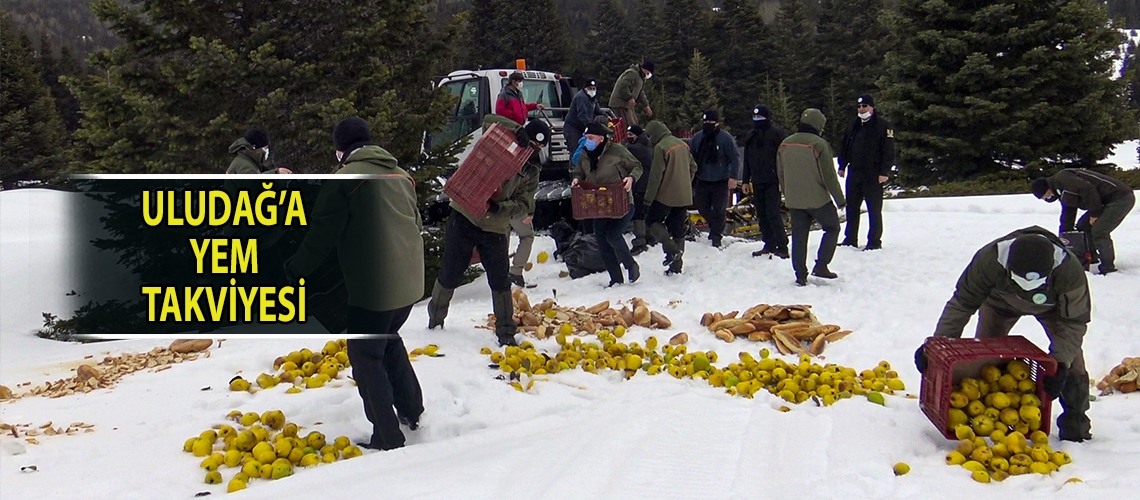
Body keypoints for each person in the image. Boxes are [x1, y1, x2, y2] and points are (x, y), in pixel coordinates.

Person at [285, 117, 424, 451]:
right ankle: (412, 410)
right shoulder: (401, 176)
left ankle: (387, 435)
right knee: (386, 339)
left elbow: (322, 236)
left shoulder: (345, 179)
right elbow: (415, 221)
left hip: (377, 288)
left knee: (365, 354)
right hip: (409, 285)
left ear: (340, 151)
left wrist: (294, 269)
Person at [914, 227, 1093, 442]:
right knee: (988, 360)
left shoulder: (1069, 271)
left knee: (1071, 364)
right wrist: (938, 344)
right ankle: (988, 416)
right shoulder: (989, 260)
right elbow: (962, 305)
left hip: (1053, 308)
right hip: (999, 302)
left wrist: (1061, 363)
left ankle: (1076, 420)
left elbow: (1073, 322)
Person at [428, 115, 550, 347]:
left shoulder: (532, 171)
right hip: (464, 215)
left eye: (539, 148)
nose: (534, 151)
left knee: (500, 278)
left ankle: (505, 332)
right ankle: (435, 322)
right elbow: (488, 120)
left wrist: (500, 208)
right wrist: (516, 130)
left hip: (494, 226)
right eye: (532, 144)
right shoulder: (503, 142)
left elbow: (525, 204)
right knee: (450, 272)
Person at [777, 109, 846, 287]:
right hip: (817, 200)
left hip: (794, 199)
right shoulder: (819, 144)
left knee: (799, 236)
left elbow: (781, 173)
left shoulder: (785, 144)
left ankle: (800, 275)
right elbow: (828, 176)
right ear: (818, 125)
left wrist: (787, 193)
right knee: (832, 227)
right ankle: (821, 265)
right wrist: (840, 200)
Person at [571, 121, 643, 287]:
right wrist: (576, 179)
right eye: (585, 137)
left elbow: (637, 166)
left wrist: (631, 178)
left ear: (601, 138)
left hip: (621, 202)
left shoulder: (617, 151)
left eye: (590, 138)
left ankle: (631, 265)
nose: (587, 141)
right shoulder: (584, 154)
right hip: (599, 205)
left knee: (613, 234)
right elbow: (579, 172)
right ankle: (616, 279)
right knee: (602, 240)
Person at [1031, 169, 1135, 275]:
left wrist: (1095, 214)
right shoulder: (1062, 191)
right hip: (1104, 202)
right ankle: (1092, 257)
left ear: (1046, 189)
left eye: (1045, 196)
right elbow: (1068, 214)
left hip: (1121, 198)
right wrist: (1064, 237)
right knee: (1083, 226)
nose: (1047, 198)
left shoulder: (1063, 178)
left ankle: (1108, 268)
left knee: (1099, 231)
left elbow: (1088, 189)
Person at [838, 94, 895, 251]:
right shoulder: (853, 125)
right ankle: (850, 238)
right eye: (859, 107)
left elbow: (888, 151)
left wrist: (884, 171)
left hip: (874, 173)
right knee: (852, 207)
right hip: (855, 172)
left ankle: (874, 240)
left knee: (874, 208)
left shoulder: (883, 126)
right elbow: (844, 146)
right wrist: (842, 165)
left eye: (865, 106)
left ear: (872, 107)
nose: (862, 109)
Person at [642, 120, 698, 275]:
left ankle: (671, 249)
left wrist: (648, 199)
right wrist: (686, 182)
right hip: (684, 194)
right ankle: (676, 266)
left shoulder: (661, 147)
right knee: (677, 228)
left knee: (652, 221)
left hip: (665, 195)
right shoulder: (682, 145)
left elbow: (655, 177)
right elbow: (694, 167)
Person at [742, 104, 790, 259]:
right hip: (757, 180)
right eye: (755, 117)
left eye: (760, 117)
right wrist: (745, 180)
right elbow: (747, 160)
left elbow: (784, 157)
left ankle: (782, 245)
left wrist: (783, 179)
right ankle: (768, 243)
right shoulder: (751, 135)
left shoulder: (776, 134)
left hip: (772, 180)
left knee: (773, 213)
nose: (757, 120)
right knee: (761, 214)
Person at [689, 110, 741, 248]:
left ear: (717, 123)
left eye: (710, 122)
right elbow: (690, 156)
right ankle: (715, 228)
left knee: (719, 209)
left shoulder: (725, 138)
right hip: (702, 179)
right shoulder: (698, 138)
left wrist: (733, 176)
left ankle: (716, 236)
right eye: (705, 122)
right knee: (702, 206)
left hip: (720, 180)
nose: (707, 125)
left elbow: (734, 158)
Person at [626, 124, 655, 256]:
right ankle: (650, 237)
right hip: (647, 183)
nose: (628, 137)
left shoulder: (635, 149)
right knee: (645, 211)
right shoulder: (648, 146)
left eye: (630, 135)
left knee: (638, 213)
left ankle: (640, 242)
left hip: (639, 184)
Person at [564, 78, 609, 160]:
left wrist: (606, 116)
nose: (592, 90)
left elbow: (597, 110)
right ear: (585, 88)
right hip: (573, 128)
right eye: (590, 88)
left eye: (594, 89)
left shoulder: (592, 98)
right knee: (576, 150)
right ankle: (573, 170)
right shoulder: (581, 97)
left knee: (585, 151)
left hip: (582, 127)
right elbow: (582, 115)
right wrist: (592, 127)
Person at [607, 61, 655, 126]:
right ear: (646, 70)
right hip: (620, 103)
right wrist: (629, 97)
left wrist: (646, 105)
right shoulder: (632, 73)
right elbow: (623, 85)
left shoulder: (641, 78)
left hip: (628, 105)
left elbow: (640, 91)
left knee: (634, 123)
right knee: (626, 125)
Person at [226, 128, 292, 174]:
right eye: (265, 148)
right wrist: (275, 174)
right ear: (254, 147)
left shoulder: (246, 160)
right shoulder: (245, 166)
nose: (266, 151)